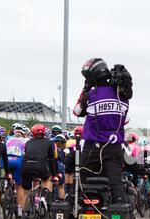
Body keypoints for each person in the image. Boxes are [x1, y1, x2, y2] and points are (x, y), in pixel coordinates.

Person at [73, 58, 133, 205]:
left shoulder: (91, 95)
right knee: (116, 185)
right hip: (113, 149)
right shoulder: (122, 96)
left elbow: (76, 111)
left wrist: (86, 89)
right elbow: (125, 120)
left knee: (81, 183)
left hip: (92, 148)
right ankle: (120, 216)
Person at [21, 124, 57, 213]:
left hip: (26, 165)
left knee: (26, 191)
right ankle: (44, 197)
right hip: (40, 165)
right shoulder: (49, 142)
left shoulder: (28, 142)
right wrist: (54, 175)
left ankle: (25, 212)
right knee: (47, 179)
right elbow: (51, 159)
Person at [6, 124, 29, 219]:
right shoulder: (26, 140)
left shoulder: (8, 139)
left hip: (7, 161)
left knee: (8, 176)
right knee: (20, 187)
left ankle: (7, 188)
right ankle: (20, 211)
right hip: (18, 161)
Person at [53, 134, 67, 201]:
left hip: (52, 166)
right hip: (60, 166)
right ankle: (62, 203)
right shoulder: (63, 151)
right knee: (61, 186)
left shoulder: (51, 147)